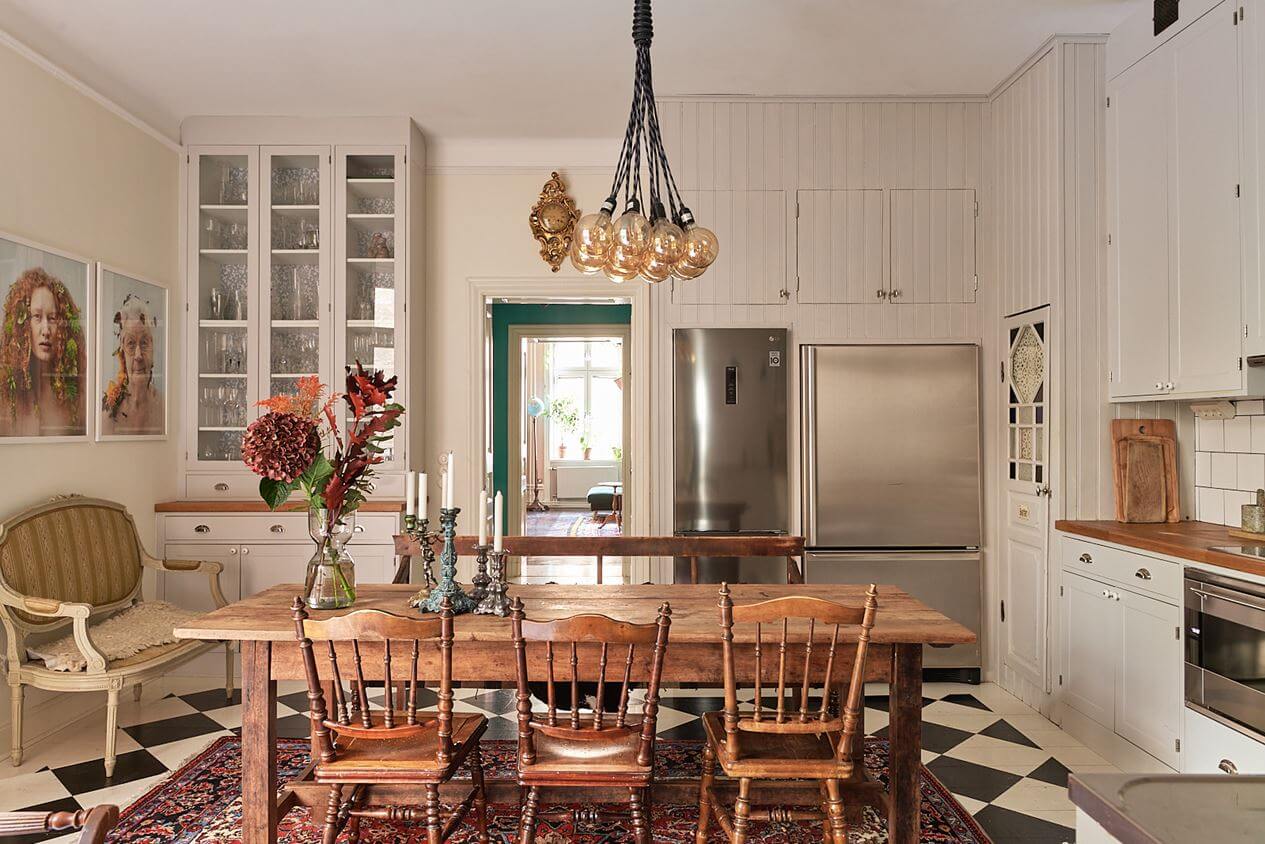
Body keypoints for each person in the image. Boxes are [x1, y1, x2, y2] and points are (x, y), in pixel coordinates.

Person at [0, 267, 86, 437]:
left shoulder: (77, 397)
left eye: (52, 318)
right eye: (37, 317)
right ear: (22, 324)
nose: (46, 330)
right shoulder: (5, 394)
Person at [101, 293, 163, 436]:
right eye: (130, 343)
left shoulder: (165, 408)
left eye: (144, 342)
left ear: (153, 347)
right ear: (122, 351)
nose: (138, 355)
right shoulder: (108, 414)